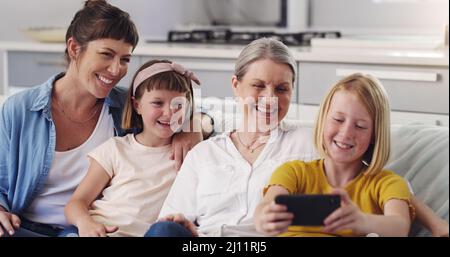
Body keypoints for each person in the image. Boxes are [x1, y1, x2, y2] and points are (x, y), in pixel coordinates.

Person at [147, 38, 448, 237]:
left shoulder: (312, 142)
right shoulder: (204, 152)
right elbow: (171, 222)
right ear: (236, 85)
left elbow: (374, 174)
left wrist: (434, 223)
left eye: (281, 89)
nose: (270, 99)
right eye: (258, 85)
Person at [0, 0, 203, 237]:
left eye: (125, 59)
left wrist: (193, 122)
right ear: (74, 48)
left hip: (99, 229)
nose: (116, 69)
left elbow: (171, 110)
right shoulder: (21, 109)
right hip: (26, 228)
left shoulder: (124, 106)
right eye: (106, 54)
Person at [254, 73, 413, 237]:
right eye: (338, 119)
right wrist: (263, 218)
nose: (346, 133)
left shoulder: (388, 183)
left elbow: (400, 227)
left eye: (360, 126)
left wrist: (361, 221)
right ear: (323, 120)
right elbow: (265, 206)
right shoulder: (294, 172)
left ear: (375, 134)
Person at [61, 59, 198, 237]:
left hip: (152, 234)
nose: (169, 113)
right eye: (157, 103)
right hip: (100, 231)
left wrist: (196, 127)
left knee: (166, 231)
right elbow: (76, 203)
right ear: (137, 105)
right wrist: (85, 223)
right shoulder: (116, 149)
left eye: (178, 105)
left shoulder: (193, 153)